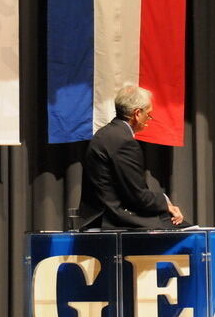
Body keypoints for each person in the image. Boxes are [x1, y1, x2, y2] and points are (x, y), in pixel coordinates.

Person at [78, 85, 186, 229]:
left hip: (100, 213)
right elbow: (138, 196)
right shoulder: (124, 141)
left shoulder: (105, 133)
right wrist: (166, 203)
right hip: (114, 218)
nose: (149, 119)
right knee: (191, 235)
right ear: (137, 113)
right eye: (148, 114)